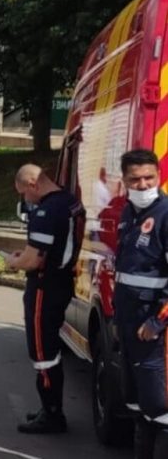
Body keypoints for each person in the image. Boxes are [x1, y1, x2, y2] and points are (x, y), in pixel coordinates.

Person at [6, 164, 85, 434]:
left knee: (42, 354)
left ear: (32, 184)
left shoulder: (46, 211)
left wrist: (14, 262)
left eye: (24, 194)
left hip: (44, 287)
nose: (25, 200)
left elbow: (34, 258)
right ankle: (50, 409)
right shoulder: (69, 202)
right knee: (49, 349)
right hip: (61, 283)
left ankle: (52, 415)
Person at [113, 149, 168, 458]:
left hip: (153, 329)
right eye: (135, 179)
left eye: (149, 177)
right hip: (129, 323)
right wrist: (118, 321)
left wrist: (157, 322)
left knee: (159, 404)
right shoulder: (128, 213)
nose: (144, 184)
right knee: (135, 401)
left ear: (158, 177)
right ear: (125, 182)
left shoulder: (165, 215)